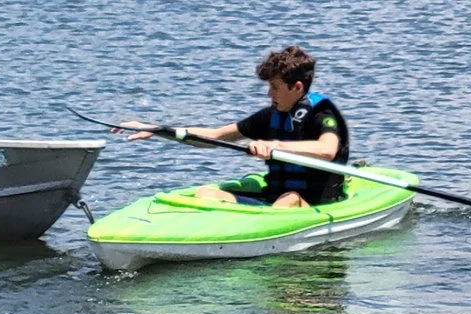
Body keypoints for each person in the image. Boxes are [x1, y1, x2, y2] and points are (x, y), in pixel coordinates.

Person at [137, 46, 348, 208]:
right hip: (273, 199)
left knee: (289, 199)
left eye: (275, 88)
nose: (269, 94)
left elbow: (327, 150)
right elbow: (215, 136)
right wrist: (159, 130)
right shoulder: (271, 116)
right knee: (206, 194)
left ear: (297, 87)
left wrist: (276, 146)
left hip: (315, 202)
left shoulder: (322, 113)